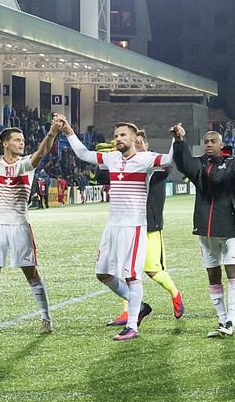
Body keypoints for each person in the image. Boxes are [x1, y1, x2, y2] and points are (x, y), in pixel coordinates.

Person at [61, 117, 174, 341]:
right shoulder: (112, 158)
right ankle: (139, 306)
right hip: (112, 226)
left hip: (134, 227)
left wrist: (176, 139)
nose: (118, 139)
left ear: (134, 138)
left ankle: (132, 325)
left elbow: (170, 159)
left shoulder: (145, 159)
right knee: (102, 274)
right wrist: (68, 131)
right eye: (116, 136)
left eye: (123, 135)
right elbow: (84, 154)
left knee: (132, 276)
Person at [0, 96, 60, 337]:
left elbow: (42, 152)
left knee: (31, 273)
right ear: (5, 143)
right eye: (17, 140)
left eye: (23, 140)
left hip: (19, 226)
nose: (22, 143)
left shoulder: (26, 165)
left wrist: (51, 133)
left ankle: (46, 318)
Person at [171, 126, 235, 337]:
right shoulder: (199, 164)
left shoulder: (232, 164)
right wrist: (180, 141)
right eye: (206, 141)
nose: (208, 144)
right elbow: (183, 164)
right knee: (213, 276)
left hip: (229, 229)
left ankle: (231, 320)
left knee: (232, 274)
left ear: (221, 145)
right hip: (205, 230)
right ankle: (221, 321)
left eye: (213, 141)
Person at [104, 129, 183, 325]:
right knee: (126, 270)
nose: (137, 146)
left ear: (146, 145)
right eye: (134, 142)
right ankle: (128, 311)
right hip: (127, 224)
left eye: (140, 143)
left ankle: (175, 294)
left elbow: (166, 166)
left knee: (152, 271)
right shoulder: (125, 165)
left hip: (150, 226)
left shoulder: (156, 166)